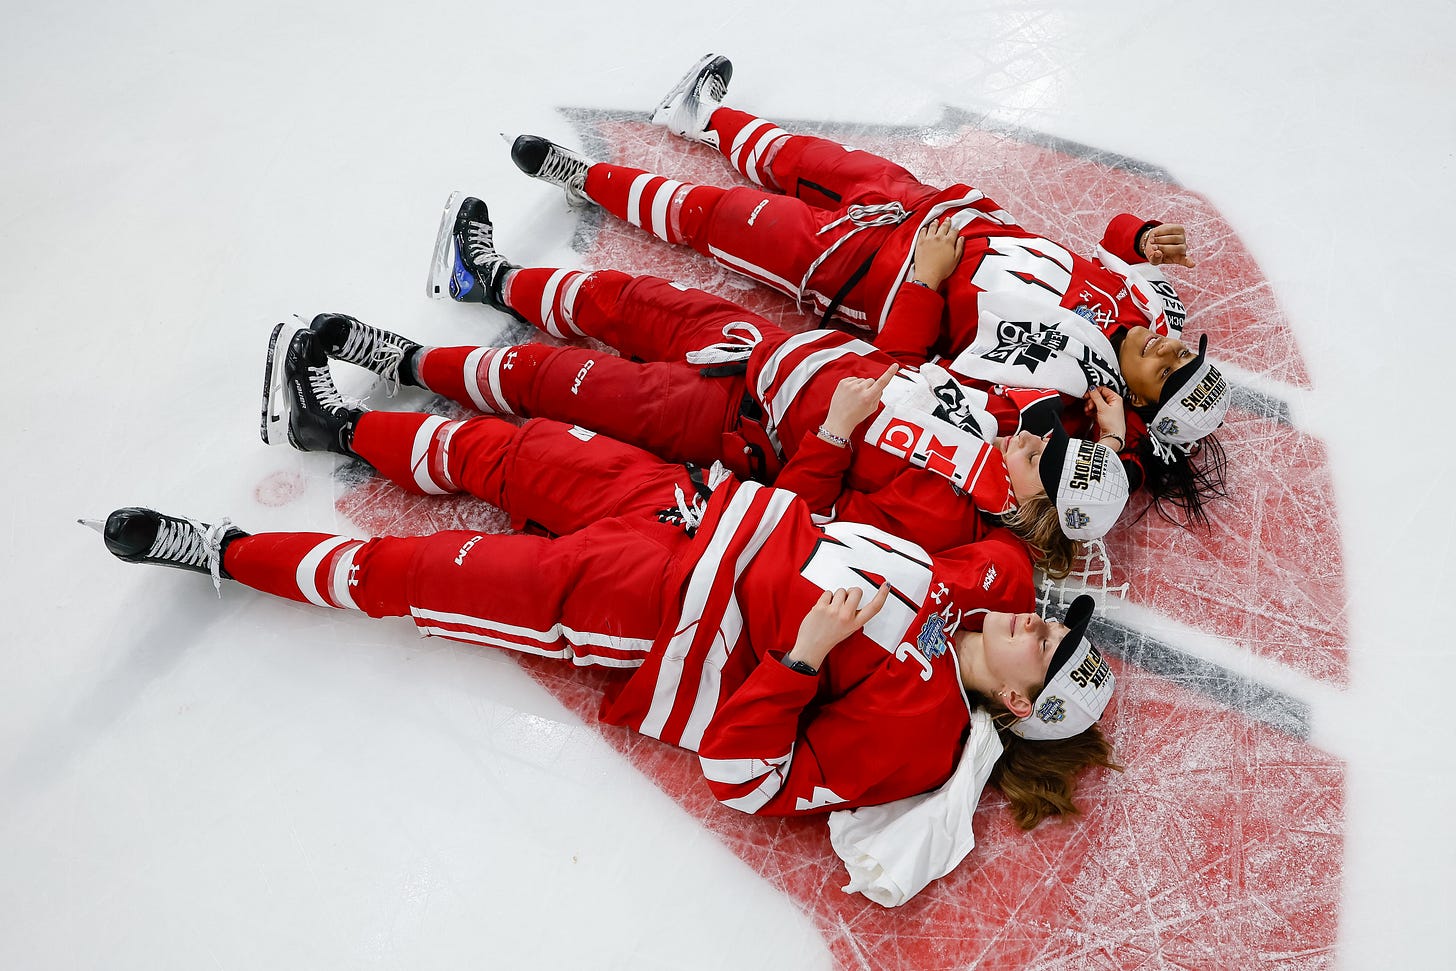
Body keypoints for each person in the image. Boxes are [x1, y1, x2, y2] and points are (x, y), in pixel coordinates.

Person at [89, 323, 1119, 830]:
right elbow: (812, 524)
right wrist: (831, 444)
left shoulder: (920, 731)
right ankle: (335, 421)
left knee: (412, 573)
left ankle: (217, 549)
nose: (1039, 621)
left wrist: (801, 659)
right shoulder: (952, 591)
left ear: (1022, 698)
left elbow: (747, 778)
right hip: (689, 505)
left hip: (648, 602)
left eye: (1050, 643)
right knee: (513, 447)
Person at [505, 54, 1230, 524]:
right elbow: (1109, 247)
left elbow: (924, 382)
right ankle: (704, 115)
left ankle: (587, 179)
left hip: (870, 274)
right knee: (805, 157)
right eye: (1180, 353)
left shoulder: (1061, 411)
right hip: (933, 204)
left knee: (722, 220)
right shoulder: (1143, 309)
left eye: (1165, 371)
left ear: (1138, 403)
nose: (1166, 346)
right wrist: (1136, 235)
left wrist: (923, 282)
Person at [301, 207, 1131, 574]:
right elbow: (906, 361)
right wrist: (920, 282)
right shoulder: (995, 420)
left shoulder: (944, 522)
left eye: (1043, 464)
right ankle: (488, 277)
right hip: (769, 350)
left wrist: (836, 437)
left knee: (558, 383)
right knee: (632, 301)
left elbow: (810, 525)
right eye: (1052, 443)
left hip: (733, 422)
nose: (1034, 441)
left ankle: (406, 364)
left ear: (1032, 510)